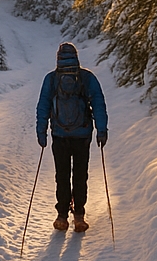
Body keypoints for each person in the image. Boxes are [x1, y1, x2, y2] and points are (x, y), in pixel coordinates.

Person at [36, 41, 108, 232]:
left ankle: (61, 215)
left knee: (62, 175)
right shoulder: (86, 78)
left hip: (59, 135)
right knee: (80, 175)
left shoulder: (51, 79)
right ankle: (79, 215)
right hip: (83, 135)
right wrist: (102, 129)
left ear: (58, 59)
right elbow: (98, 103)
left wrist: (41, 131)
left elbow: (43, 106)